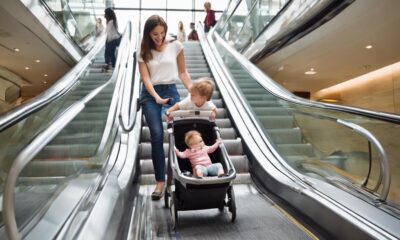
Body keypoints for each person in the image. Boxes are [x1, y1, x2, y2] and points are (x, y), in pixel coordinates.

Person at [138, 15, 192, 200]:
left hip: (170, 91)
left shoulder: (176, 46)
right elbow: (145, 79)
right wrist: (156, 97)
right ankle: (160, 182)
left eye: (162, 33)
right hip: (150, 94)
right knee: (157, 134)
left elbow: (183, 72)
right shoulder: (143, 49)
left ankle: (179, 177)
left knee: (176, 134)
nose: (159, 37)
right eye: (155, 34)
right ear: (148, 33)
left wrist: (194, 91)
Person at [104, 8, 121, 72]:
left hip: (112, 40)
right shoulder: (114, 21)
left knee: (109, 52)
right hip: (115, 39)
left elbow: (109, 33)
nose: (104, 15)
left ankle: (110, 65)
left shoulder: (110, 22)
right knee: (111, 53)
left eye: (105, 13)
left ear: (108, 14)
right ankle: (112, 65)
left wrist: (107, 41)